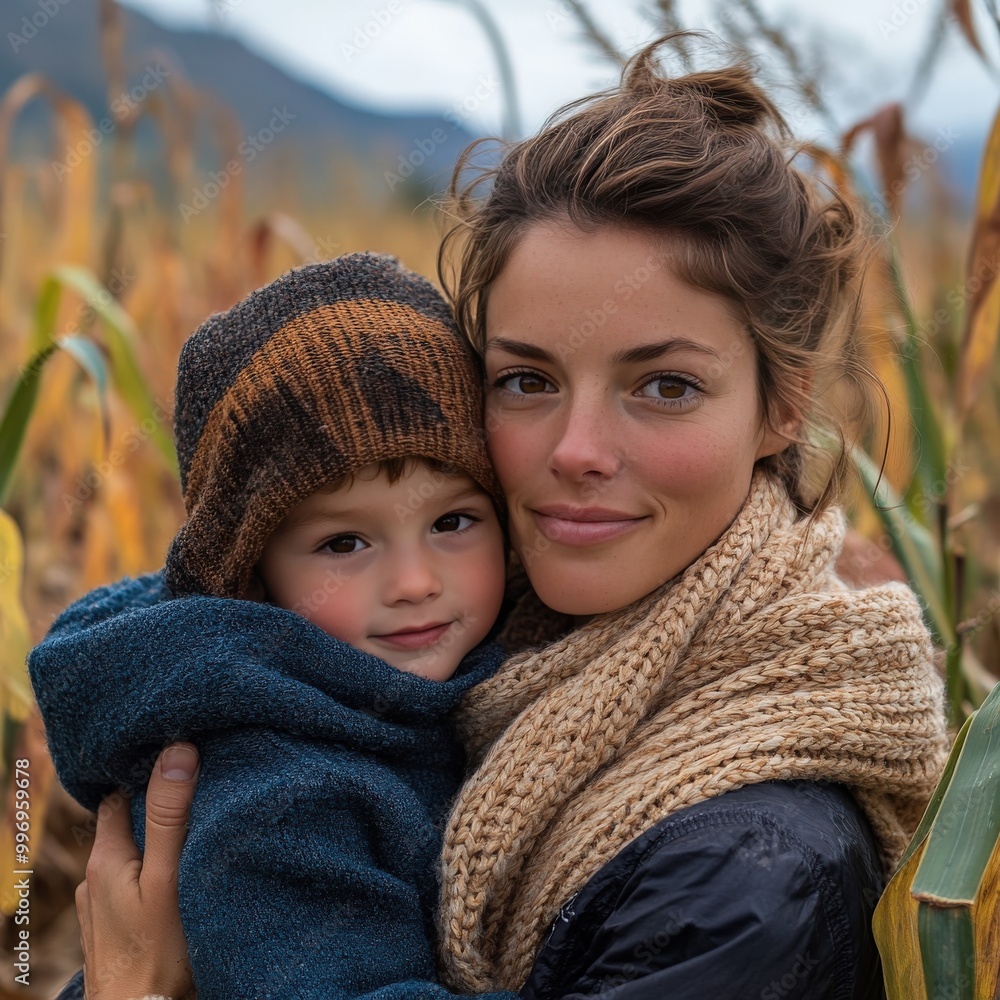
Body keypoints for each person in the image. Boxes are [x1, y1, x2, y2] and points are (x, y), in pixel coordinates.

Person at [37, 37, 950, 1000]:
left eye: (666, 385)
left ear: (781, 408)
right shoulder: (473, 676)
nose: (574, 450)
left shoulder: (742, 882)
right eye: (525, 380)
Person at [29, 252, 518, 999]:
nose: (417, 583)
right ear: (254, 577)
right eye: (344, 544)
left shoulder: (428, 686)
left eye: (454, 521)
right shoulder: (281, 792)